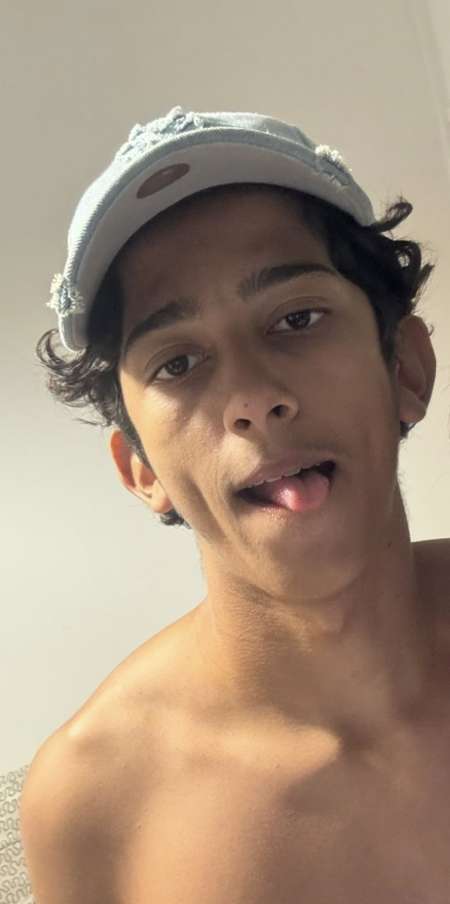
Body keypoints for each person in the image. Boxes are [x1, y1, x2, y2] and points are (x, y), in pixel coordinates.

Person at [22, 107, 449, 902]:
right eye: (177, 362)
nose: (253, 397)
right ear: (139, 468)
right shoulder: (92, 805)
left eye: (297, 318)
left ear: (405, 369)